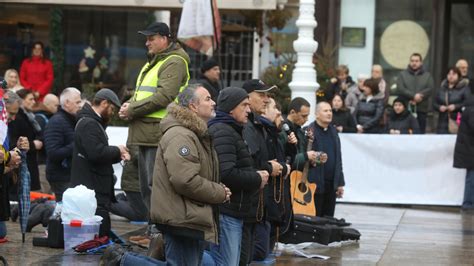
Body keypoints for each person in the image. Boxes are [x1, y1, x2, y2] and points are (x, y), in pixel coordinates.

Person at [118, 22, 190, 212]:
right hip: (147, 132)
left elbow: (164, 96)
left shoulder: (173, 61)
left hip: (156, 132)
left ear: (164, 39)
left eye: (151, 38)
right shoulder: (158, 60)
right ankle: (153, 230)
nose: (147, 43)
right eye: (146, 39)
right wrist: (130, 104)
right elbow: (145, 93)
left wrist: (132, 109)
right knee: (146, 187)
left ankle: (158, 232)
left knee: (153, 186)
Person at [206, 87, 269, 266]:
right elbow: (226, 173)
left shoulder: (232, 129)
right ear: (231, 108)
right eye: (244, 105)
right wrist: (257, 178)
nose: (248, 110)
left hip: (233, 210)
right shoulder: (223, 131)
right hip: (227, 211)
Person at [70, 89, 130, 237]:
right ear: (104, 103)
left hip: (95, 186)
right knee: (99, 235)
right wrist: (117, 150)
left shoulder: (92, 122)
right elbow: (96, 153)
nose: (113, 113)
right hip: (93, 188)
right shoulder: (89, 124)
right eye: (112, 108)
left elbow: (98, 153)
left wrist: (117, 154)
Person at [241, 79, 279, 264]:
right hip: (245, 205)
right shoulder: (246, 126)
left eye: (268, 95)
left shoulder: (258, 125)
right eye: (261, 95)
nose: (266, 99)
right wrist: (269, 167)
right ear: (247, 98)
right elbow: (248, 164)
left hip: (257, 205)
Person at [254, 97, 291, 261]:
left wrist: (292, 147)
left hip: (271, 205)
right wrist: (276, 168)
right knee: (259, 250)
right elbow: (260, 163)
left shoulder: (273, 133)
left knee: (266, 251)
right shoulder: (260, 131)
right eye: (276, 109)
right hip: (262, 204)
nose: (280, 116)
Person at [43, 87, 82, 201]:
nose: (80, 105)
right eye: (77, 102)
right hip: (60, 177)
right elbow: (53, 153)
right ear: (67, 103)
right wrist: (78, 145)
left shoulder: (72, 120)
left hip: (70, 175)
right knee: (66, 213)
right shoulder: (56, 122)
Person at [308, 102, 345, 217]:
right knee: (316, 218)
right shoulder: (310, 131)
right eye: (325, 111)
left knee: (329, 219)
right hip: (315, 183)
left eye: (330, 111)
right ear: (317, 114)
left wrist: (340, 183)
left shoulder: (333, 132)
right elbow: (306, 156)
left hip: (331, 184)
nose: (329, 113)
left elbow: (338, 158)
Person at [8, 89, 43, 191]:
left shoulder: (28, 116)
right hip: (19, 165)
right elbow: (12, 142)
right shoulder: (17, 118)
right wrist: (32, 145)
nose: (34, 102)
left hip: (27, 163)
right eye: (30, 99)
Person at [396, 53, 434, 133]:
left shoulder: (427, 75)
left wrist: (420, 95)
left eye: (416, 61)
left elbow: (430, 88)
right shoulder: (402, 75)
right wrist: (413, 96)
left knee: (420, 133)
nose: (414, 63)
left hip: (421, 109)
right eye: (412, 61)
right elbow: (400, 88)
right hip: (406, 110)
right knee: (405, 133)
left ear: (421, 62)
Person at [280, 97, 321, 172]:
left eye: (307, 116)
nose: (307, 119)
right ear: (292, 112)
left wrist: (313, 161)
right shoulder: (281, 131)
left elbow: (302, 161)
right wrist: (306, 156)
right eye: (304, 116)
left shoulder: (301, 132)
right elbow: (285, 160)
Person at [109, 145, 148, 222]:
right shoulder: (138, 136)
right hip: (135, 182)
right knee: (142, 216)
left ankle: (121, 199)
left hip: (139, 181)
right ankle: (107, 202)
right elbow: (136, 155)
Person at [453, 91, 474, 213]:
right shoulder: (472, 108)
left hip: (468, 147)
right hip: (470, 148)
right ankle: (468, 204)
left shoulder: (469, 105)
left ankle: (468, 203)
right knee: (472, 177)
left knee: (471, 176)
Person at [433, 67, 470, 134]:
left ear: (458, 76)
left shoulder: (464, 89)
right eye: (449, 74)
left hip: (457, 121)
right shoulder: (442, 88)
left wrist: (456, 106)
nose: (451, 76)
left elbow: (468, 103)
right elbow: (434, 103)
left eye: (453, 74)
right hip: (442, 122)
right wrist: (439, 107)